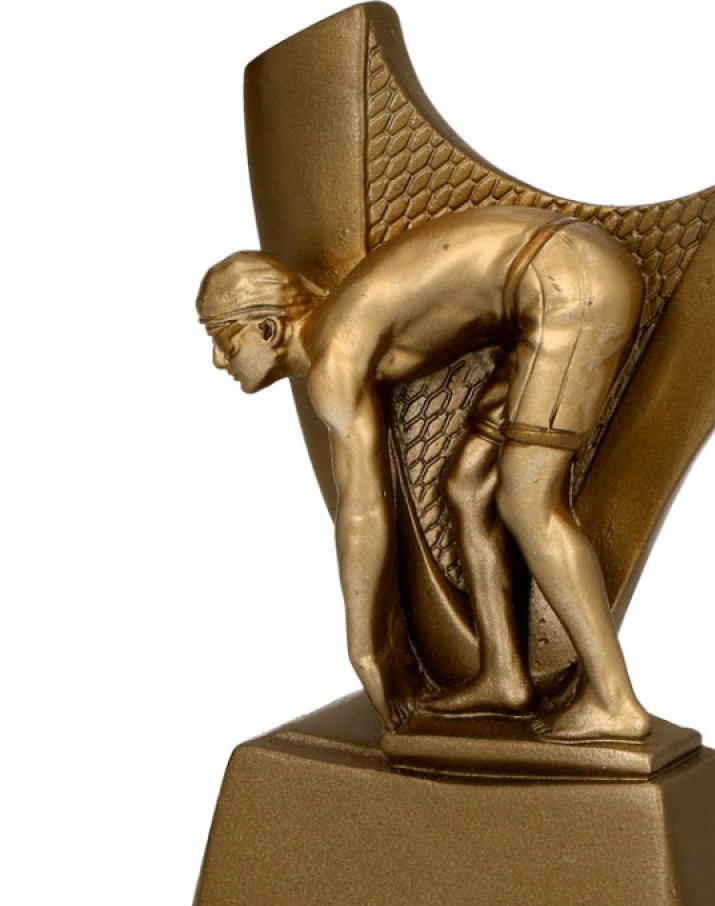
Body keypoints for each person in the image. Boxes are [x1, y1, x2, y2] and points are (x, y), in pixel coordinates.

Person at [197, 205, 651, 741]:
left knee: (527, 499)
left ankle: (614, 701)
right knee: (468, 488)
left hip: (569, 282)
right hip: (553, 283)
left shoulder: (334, 359)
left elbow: (363, 510)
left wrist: (366, 647)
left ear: (269, 328)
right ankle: (505, 676)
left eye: (224, 338)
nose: (219, 360)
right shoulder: (342, 327)